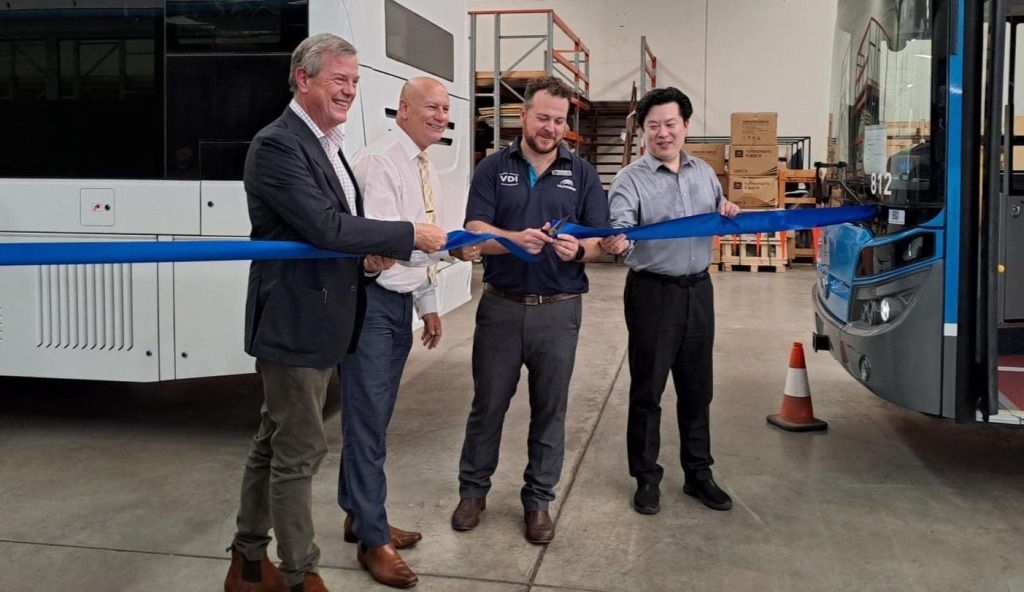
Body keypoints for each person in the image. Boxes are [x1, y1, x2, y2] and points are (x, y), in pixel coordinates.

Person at [224, 33, 447, 592]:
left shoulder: (326, 143)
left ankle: (248, 563)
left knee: (272, 444)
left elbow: (332, 228)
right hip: (294, 323)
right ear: (304, 79)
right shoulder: (278, 145)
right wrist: (406, 235)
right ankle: (301, 576)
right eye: (338, 80)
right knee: (299, 453)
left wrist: (368, 253)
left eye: (354, 81)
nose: (349, 91)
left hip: (325, 318)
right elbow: (324, 226)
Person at [449, 76, 623, 544]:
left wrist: (579, 253)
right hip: (501, 308)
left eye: (559, 121)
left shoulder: (582, 173)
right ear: (522, 116)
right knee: (488, 405)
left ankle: (539, 500)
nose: (550, 128)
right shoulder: (492, 168)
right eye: (542, 117)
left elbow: (601, 242)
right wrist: (511, 241)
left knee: (551, 409)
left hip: (559, 310)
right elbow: (472, 231)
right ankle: (472, 491)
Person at [338, 76, 478, 589]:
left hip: (397, 305)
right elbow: (382, 246)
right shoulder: (380, 162)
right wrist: (440, 250)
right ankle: (373, 540)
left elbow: (418, 240)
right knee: (368, 422)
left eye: (445, 109)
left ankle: (359, 515)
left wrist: (428, 303)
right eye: (431, 107)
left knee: (374, 418)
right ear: (403, 109)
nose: (441, 116)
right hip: (371, 305)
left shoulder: (424, 165)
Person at [607, 87, 740, 516]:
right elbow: (621, 231)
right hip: (652, 293)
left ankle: (699, 473)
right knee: (648, 390)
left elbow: (718, 209)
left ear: (685, 126)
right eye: (653, 126)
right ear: (643, 131)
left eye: (670, 124)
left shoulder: (704, 173)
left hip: (699, 290)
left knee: (698, 389)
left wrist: (727, 209)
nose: (662, 133)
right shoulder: (630, 179)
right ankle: (646, 477)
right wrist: (618, 242)